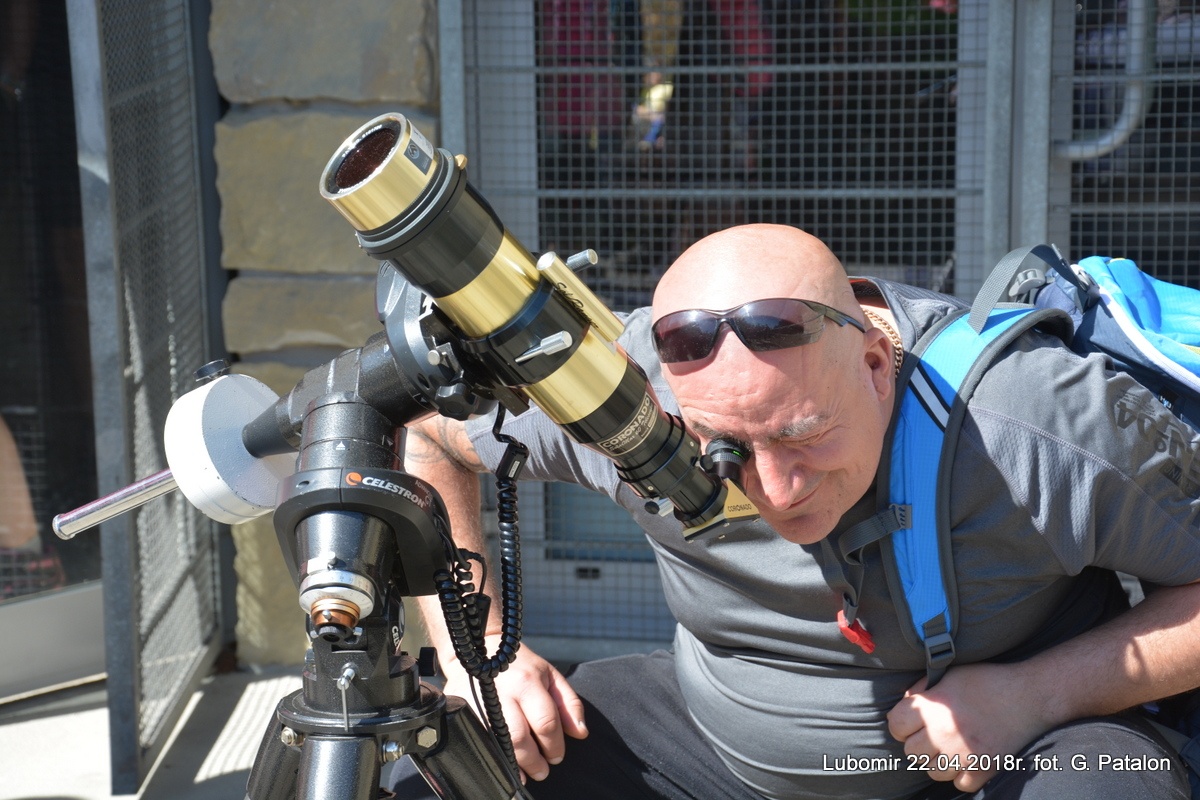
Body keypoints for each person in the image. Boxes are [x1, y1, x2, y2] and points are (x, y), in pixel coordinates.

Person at [393, 223, 1200, 799]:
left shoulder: (1033, 421)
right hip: (708, 745)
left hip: (1014, 753)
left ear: (876, 364)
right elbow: (429, 438)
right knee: (442, 769)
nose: (777, 490)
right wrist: (478, 647)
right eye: (725, 451)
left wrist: (1040, 694)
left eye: (804, 435)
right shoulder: (623, 403)